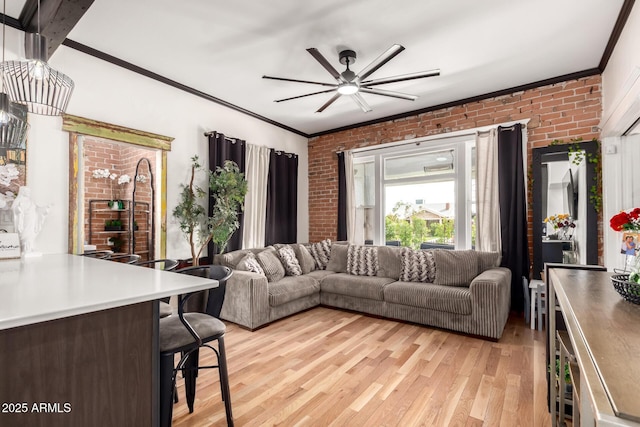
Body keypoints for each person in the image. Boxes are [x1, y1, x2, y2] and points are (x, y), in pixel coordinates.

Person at [11, 186, 50, 255]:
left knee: (31, 233)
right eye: (27, 191)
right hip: (24, 220)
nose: (29, 193)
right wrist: (18, 209)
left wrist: (45, 208)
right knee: (25, 233)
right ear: (23, 192)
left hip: (32, 219)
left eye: (29, 191)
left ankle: (30, 247)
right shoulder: (19, 200)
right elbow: (14, 208)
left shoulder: (31, 201)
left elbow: (37, 208)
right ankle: (25, 248)